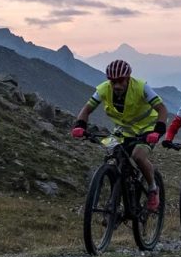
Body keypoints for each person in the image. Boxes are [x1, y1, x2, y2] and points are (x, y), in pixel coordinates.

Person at [71, 59, 168, 211]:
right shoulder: (103, 89)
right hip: (123, 131)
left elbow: (162, 109)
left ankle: (153, 189)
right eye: (113, 81)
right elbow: (87, 109)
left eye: (120, 81)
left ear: (128, 78)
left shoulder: (142, 87)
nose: (116, 85)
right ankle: (116, 200)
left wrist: (158, 130)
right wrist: (80, 125)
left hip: (147, 129)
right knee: (114, 154)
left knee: (138, 156)